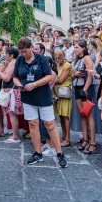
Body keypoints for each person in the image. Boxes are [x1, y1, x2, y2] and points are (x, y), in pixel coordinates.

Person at [9, 38, 67, 168]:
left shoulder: (41, 58)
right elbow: (15, 77)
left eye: (26, 51)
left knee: (49, 124)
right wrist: (19, 85)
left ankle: (59, 154)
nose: (24, 54)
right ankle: (37, 152)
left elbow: (49, 76)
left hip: (42, 95)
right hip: (27, 96)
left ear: (31, 48)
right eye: (22, 52)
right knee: (33, 124)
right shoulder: (19, 59)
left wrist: (34, 84)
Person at [72, 40, 96, 154]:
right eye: (74, 47)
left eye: (76, 47)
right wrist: (74, 75)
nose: (74, 49)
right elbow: (72, 74)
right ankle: (85, 139)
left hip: (85, 88)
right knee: (83, 115)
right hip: (77, 87)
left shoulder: (87, 58)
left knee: (89, 115)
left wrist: (85, 89)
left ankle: (93, 142)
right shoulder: (77, 59)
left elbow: (90, 75)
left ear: (83, 48)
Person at [0, 47, 22, 144]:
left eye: (6, 54)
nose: (4, 55)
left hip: (10, 91)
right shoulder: (15, 63)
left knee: (12, 113)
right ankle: (15, 135)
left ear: (11, 55)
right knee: (12, 113)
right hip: (12, 91)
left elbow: (6, 78)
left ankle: (15, 136)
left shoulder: (12, 64)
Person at [53, 50, 73, 147]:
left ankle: (68, 138)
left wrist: (50, 80)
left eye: (59, 58)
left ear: (63, 56)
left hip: (64, 93)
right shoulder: (58, 66)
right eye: (56, 58)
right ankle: (64, 136)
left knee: (65, 116)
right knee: (61, 116)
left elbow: (61, 80)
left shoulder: (67, 65)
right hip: (58, 92)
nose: (57, 60)